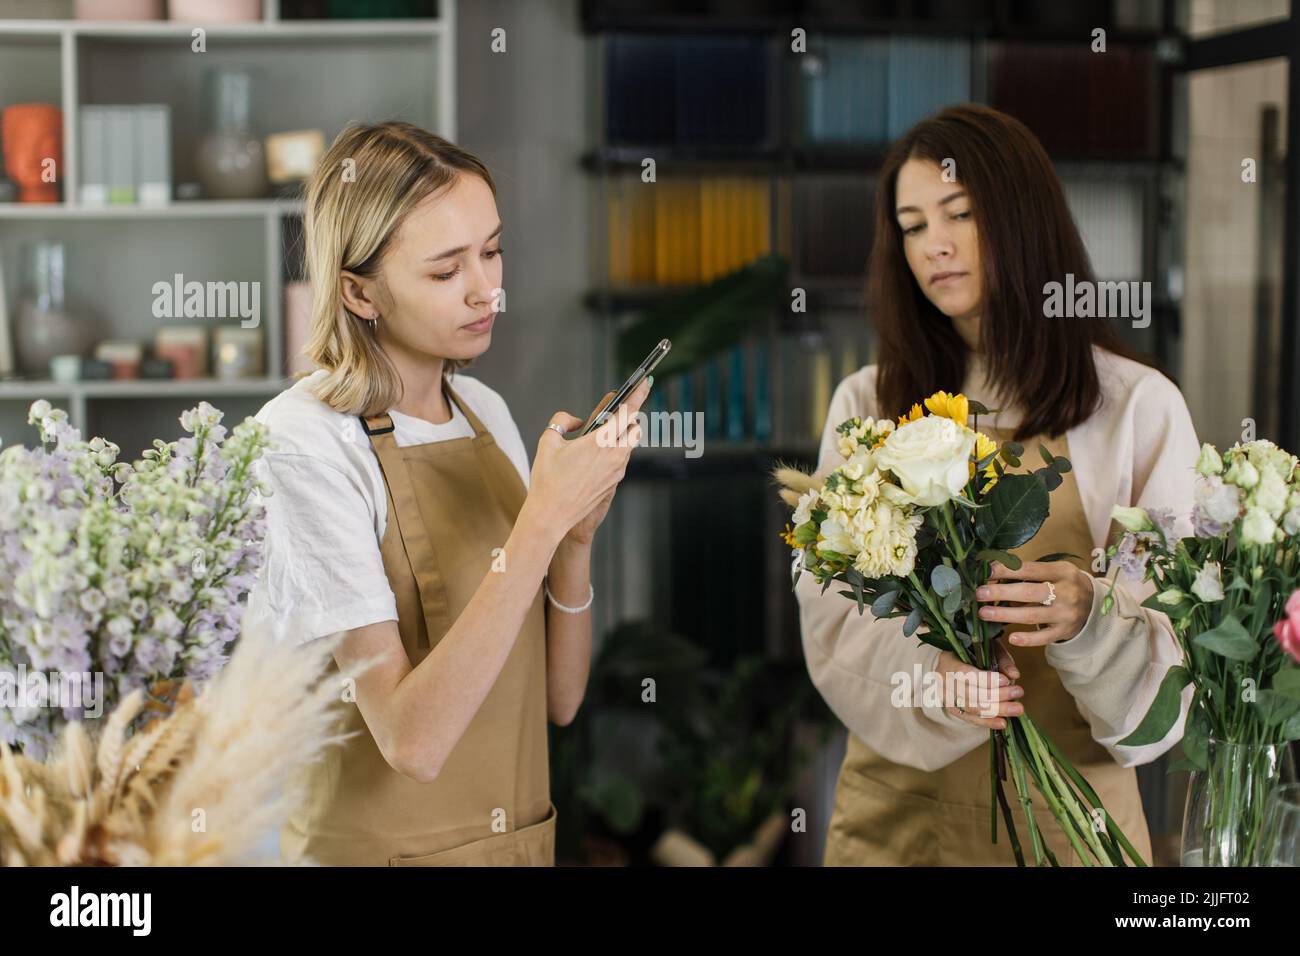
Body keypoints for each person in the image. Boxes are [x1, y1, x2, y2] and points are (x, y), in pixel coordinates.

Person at [796, 103, 1198, 866]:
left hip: (1069, 821)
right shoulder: (866, 406)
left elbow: (1172, 654)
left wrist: (1091, 617)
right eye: (912, 226)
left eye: (960, 213)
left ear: (1022, 216)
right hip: (898, 818)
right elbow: (831, 622)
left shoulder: (1137, 409)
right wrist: (934, 680)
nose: (933, 246)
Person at [242, 121, 647, 866]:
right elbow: (412, 741)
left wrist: (575, 541)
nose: (486, 289)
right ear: (358, 292)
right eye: (445, 271)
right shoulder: (302, 443)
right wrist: (542, 519)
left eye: (492, 251)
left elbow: (558, 702)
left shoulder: (483, 411)